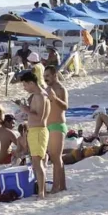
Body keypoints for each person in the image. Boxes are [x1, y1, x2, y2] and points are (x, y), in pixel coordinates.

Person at [17, 72, 50, 199]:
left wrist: (24, 109)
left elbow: (39, 117)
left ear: (31, 83)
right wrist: (25, 107)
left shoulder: (40, 96)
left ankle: (41, 192)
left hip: (38, 131)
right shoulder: (38, 95)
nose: (24, 88)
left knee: (37, 163)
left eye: (25, 85)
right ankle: (42, 190)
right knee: (37, 162)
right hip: (36, 131)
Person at [44, 65, 68, 193]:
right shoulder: (47, 89)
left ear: (55, 75)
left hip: (58, 125)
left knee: (55, 157)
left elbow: (65, 106)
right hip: (49, 126)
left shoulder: (60, 89)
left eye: (47, 76)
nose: (45, 78)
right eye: (44, 76)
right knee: (56, 157)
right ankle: (62, 186)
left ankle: (55, 187)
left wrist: (54, 98)